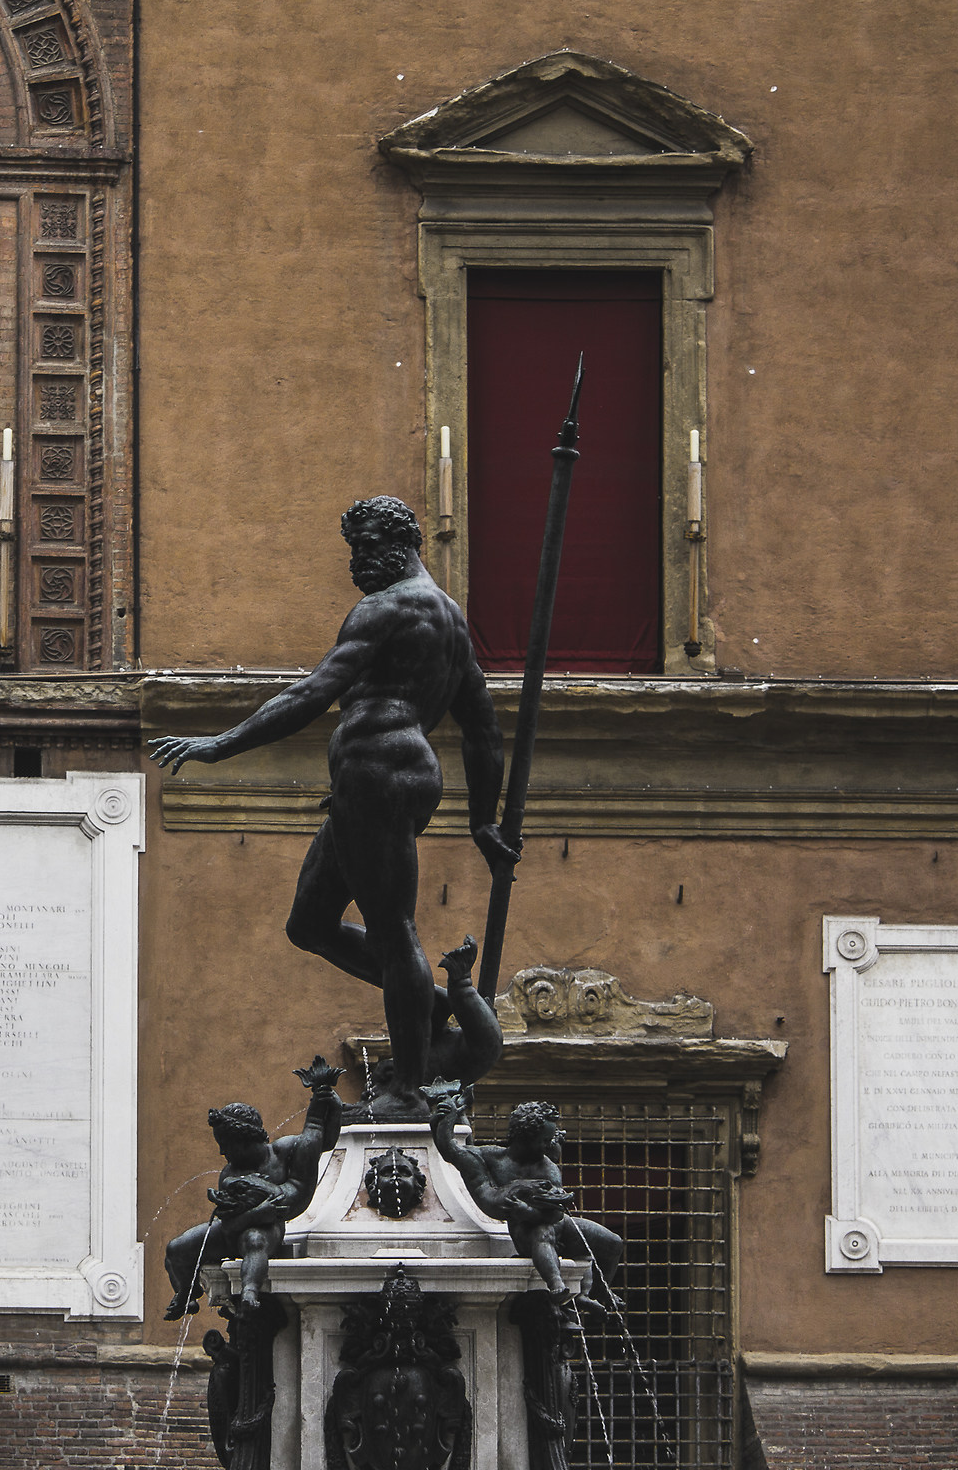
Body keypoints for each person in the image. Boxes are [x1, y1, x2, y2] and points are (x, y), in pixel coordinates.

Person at [147, 497, 516, 1116]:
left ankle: (408, 1084)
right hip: (376, 777)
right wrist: (482, 817)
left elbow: (315, 690)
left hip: (380, 769)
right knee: (309, 924)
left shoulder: (387, 608)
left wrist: (221, 744)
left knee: (393, 928)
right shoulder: (451, 620)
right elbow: (482, 731)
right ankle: (426, 1004)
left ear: (404, 542)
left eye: (369, 546)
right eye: (353, 550)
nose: (358, 562)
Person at [162, 1058, 343, 1317]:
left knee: (254, 1239)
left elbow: (321, 1141)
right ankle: (186, 1293)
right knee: (176, 1248)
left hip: (268, 1229)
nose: (222, 1151)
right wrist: (258, 1213)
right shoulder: (230, 1175)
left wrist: (332, 1109)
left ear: (245, 1140)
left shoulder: (284, 1151)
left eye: (226, 1144)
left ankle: (250, 1291)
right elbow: (231, 1226)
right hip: (236, 1228)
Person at [428, 1091, 622, 1313]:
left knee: (612, 1243)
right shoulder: (494, 1158)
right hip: (526, 1231)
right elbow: (452, 1151)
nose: (549, 1145)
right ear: (525, 1137)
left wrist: (527, 1210)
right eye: (544, 1140)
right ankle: (556, 1286)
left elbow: (556, 1213)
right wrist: (441, 1121)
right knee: (543, 1233)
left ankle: (593, 1294)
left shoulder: (547, 1167)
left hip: (553, 1221)